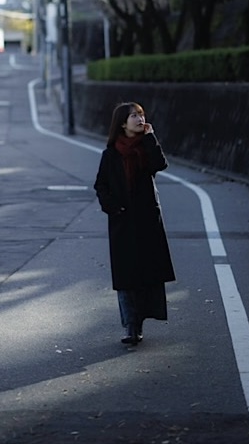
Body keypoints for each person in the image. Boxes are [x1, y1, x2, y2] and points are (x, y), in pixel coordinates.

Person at [94, 101, 176, 347]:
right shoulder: (110, 154)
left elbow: (160, 165)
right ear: (122, 123)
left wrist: (151, 137)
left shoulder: (145, 148)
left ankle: (142, 317)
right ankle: (132, 325)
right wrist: (112, 207)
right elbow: (101, 185)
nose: (140, 119)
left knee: (147, 271)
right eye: (133, 116)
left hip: (147, 220)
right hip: (122, 221)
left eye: (141, 115)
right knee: (127, 275)